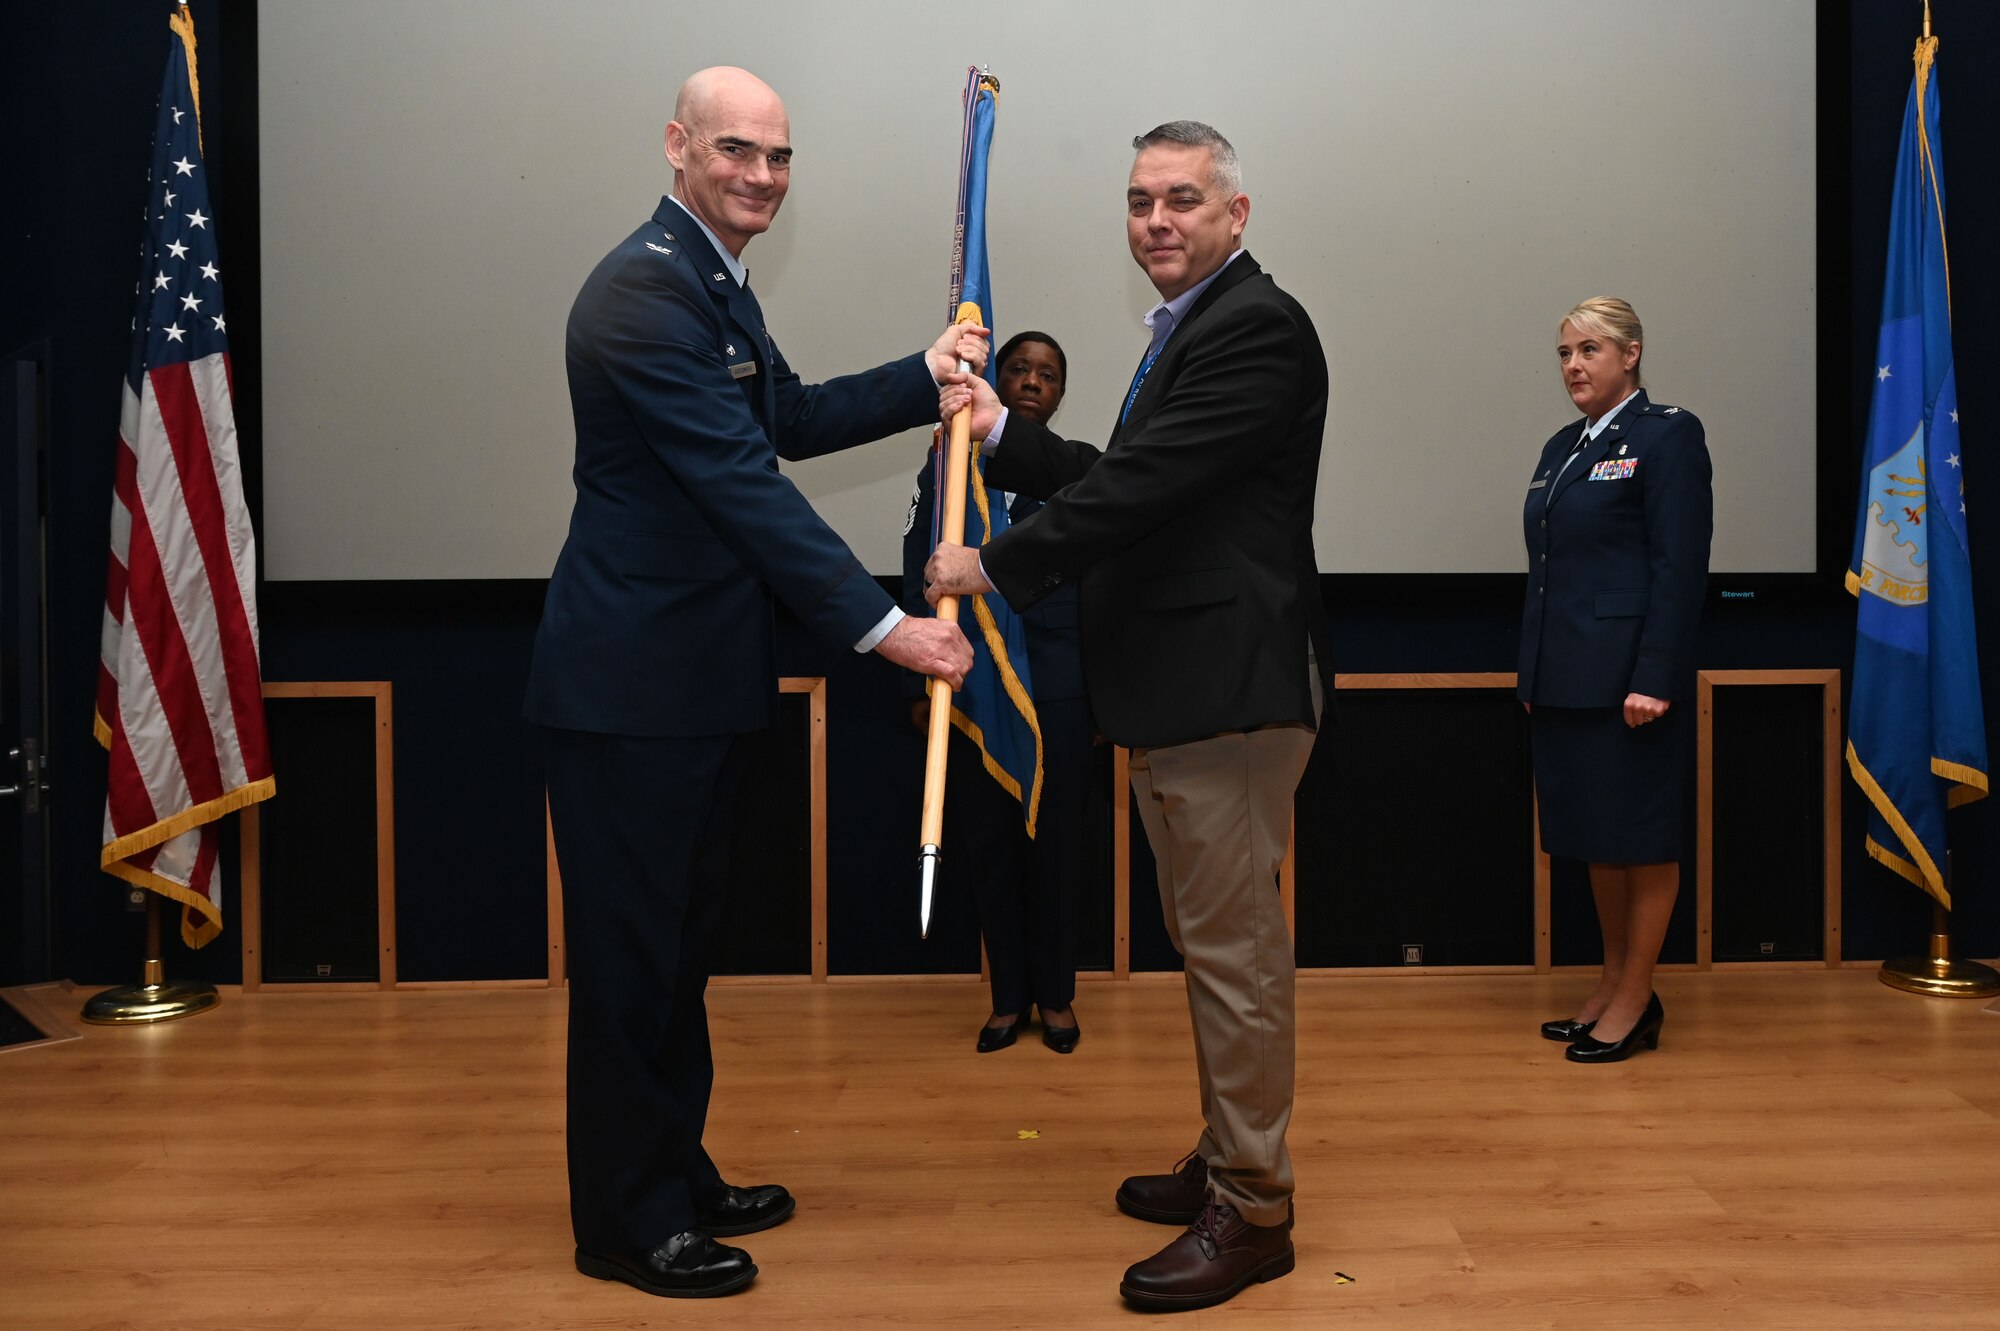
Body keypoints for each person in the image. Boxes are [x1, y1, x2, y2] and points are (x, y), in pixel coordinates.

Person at [524, 66, 981, 1300]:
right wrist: (887, 627)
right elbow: (742, 487)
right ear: (677, 145)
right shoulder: (641, 293)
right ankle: (627, 1220)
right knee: (632, 966)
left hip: (695, 688)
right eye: (737, 152)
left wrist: (924, 375)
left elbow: (780, 413)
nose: (760, 177)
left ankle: (673, 1168)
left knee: (679, 956)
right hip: (628, 694)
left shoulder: (706, 284)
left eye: (778, 159)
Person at [926, 122, 1329, 1312]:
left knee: (1234, 955)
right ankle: (1225, 1153)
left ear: (1235, 215)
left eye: (1184, 200)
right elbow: (1133, 474)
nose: (1158, 219)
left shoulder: (1255, 326)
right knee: (1215, 949)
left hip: (1227, 689)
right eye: (1141, 199)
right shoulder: (1190, 331)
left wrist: (991, 565)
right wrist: (1005, 435)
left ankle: (1253, 1207)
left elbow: (1146, 489)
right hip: (1181, 688)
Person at [1518, 297, 1711, 1064]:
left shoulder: (1667, 435)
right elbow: (1547, 574)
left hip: (1631, 681)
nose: (1573, 365)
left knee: (1642, 839)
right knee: (1596, 839)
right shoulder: (1563, 445)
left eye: (1589, 350)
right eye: (1564, 352)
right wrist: (1534, 668)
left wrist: (1656, 674)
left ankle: (1637, 997)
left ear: (1631, 354)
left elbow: (1678, 565)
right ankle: (1610, 984)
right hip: (1565, 676)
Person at [900, 331, 1088, 1055]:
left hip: (1061, 686)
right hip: (971, 686)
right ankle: (1008, 996)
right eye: (1019, 368)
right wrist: (926, 679)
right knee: (990, 849)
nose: (1033, 381)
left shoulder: (1076, 476)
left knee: (1057, 848)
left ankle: (1058, 997)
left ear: (1060, 392)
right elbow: (924, 566)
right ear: (995, 381)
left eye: (1047, 373)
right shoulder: (950, 474)